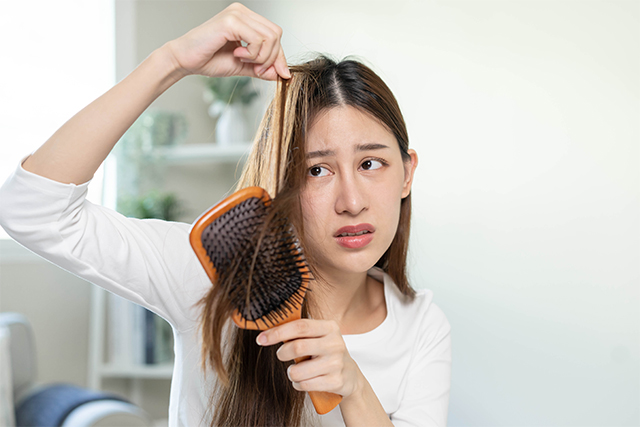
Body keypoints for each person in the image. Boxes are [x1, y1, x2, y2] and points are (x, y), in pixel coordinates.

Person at [0, 3, 451, 426]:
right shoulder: (211, 273)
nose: (351, 201)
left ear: (407, 173)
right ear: (284, 183)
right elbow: (32, 210)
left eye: (371, 164)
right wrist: (171, 61)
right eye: (317, 169)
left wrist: (354, 389)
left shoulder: (419, 324)